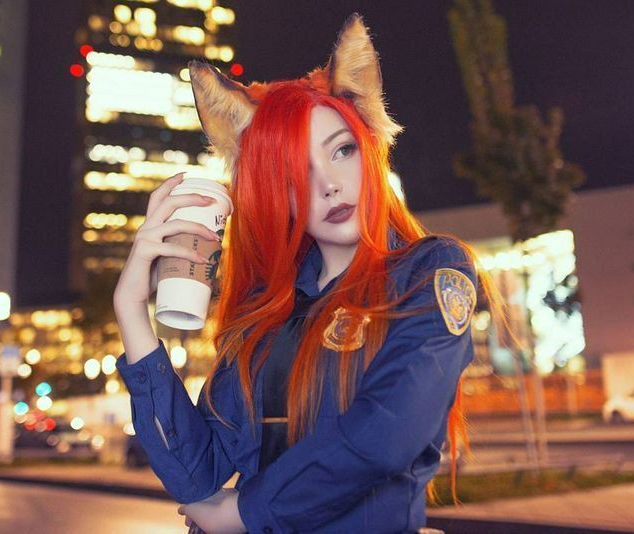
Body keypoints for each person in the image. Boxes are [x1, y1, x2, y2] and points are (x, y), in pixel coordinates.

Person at [113, 13, 504, 533]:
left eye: (341, 150)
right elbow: (194, 472)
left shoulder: (429, 271)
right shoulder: (268, 309)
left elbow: (386, 434)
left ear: (370, 148)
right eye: (294, 171)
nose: (328, 184)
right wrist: (130, 311)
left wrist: (244, 511)